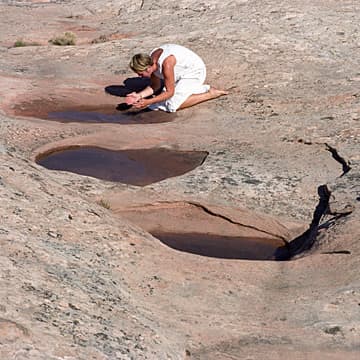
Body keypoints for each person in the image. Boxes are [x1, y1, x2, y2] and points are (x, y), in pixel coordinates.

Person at [125, 44, 228, 112]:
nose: (139, 76)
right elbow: (155, 85)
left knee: (171, 105)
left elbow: (170, 92)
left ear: (147, 68)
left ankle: (210, 94)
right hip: (180, 74)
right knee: (162, 98)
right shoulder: (152, 62)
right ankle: (193, 90)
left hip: (194, 72)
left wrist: (149, 101)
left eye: (140, 73)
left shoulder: (166, 64)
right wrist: (139, 95)